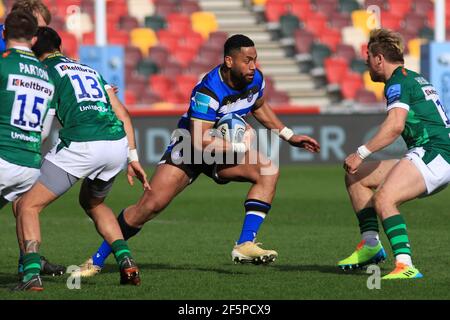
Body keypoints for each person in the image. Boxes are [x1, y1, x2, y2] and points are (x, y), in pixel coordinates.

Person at [73, 34, 320, 277]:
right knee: (148, 207)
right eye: (247, 60)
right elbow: (200, 140)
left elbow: (259, 106)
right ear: (229, 61)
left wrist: (288, 135)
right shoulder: (207, 90)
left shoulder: (255, 79)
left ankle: (245, 244)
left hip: (221, 149)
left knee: (268, 170)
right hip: (190, 148)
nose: (253, 66)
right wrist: (238, 147)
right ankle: (96, 261)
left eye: (255, 59)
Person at [14, 26, 150, 291]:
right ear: (60, 47)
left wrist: (26, 151)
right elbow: (122, 114)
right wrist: (133, 156)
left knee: (26, 205)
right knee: (93, 202)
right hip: (116, 145)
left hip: (82, 144)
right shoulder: (89, 69)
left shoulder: (44, 72)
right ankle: (126, 260)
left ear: (33, 50)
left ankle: (31, 275)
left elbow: (44, 127)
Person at [338, 28, 450, 279]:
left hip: (436, 153)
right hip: (431, 151)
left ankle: (405, 265)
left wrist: (361, 152)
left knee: (385, 198)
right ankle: (370, 245)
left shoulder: (398, 82)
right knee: (357, 177)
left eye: (369, 58)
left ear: (379, 59)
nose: (366, 63)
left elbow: (395, 126)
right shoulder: (410, 77)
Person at [0, 0, 65, 278]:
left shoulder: (8, 63)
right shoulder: (43, 73)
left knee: (24, 206)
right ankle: (30, 267)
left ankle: (29, 264)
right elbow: (44, 130)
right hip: (28, 159)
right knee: (24, 205)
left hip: (7, 152)